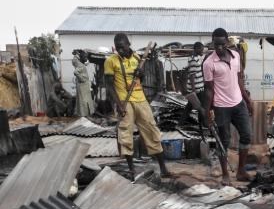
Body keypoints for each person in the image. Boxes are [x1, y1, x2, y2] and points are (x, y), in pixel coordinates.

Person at [104, 33, 168, 179]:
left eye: (122, 47)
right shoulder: (110, 61)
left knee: (152, 130)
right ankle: (132, 170)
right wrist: (119, 105)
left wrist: (141, 74)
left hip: (141, 100)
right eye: (117, 48)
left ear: (128, 44)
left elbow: (142, 78)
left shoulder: (138, 58)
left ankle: (163, 167)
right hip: (124, 102)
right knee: (126, 134)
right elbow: (108, 85)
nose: (120, 50)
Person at [203, 28, 253, 185]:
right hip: (221, 107)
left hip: (238, 104)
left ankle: (241, 171)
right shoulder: (208, 63)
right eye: (216, 45)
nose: (219, 48)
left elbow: (239, 80)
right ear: (212, 43)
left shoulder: (236, 56)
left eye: (222, 44)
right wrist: (207, 112)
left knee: (246, 136)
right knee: (223, 141)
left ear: (227, 43)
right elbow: (209, 90)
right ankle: (225, 174)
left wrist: (247, 100)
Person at [180, 42, 205, 125]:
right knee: (201, 107)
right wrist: (194, 91)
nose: (203, 51)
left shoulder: (195, 58)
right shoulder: (193, 60)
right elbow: (192, 76)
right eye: (201, 49)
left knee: (189, 107)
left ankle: (181, 123)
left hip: (198, 87)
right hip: (197, 89)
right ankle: (202, 124)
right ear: (197, 49)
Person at [72, 50, 95, 117]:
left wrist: (77, 54)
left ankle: (83, 115)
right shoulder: (81, 65)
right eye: (84, 57)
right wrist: (82, 79)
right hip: (83, 85)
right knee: (84, 101)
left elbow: (76, 61)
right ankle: (84, 115)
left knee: (84, 101)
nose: (86, 58)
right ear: (81, 57)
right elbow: (75, 72)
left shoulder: (80, 64)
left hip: (83, 86)